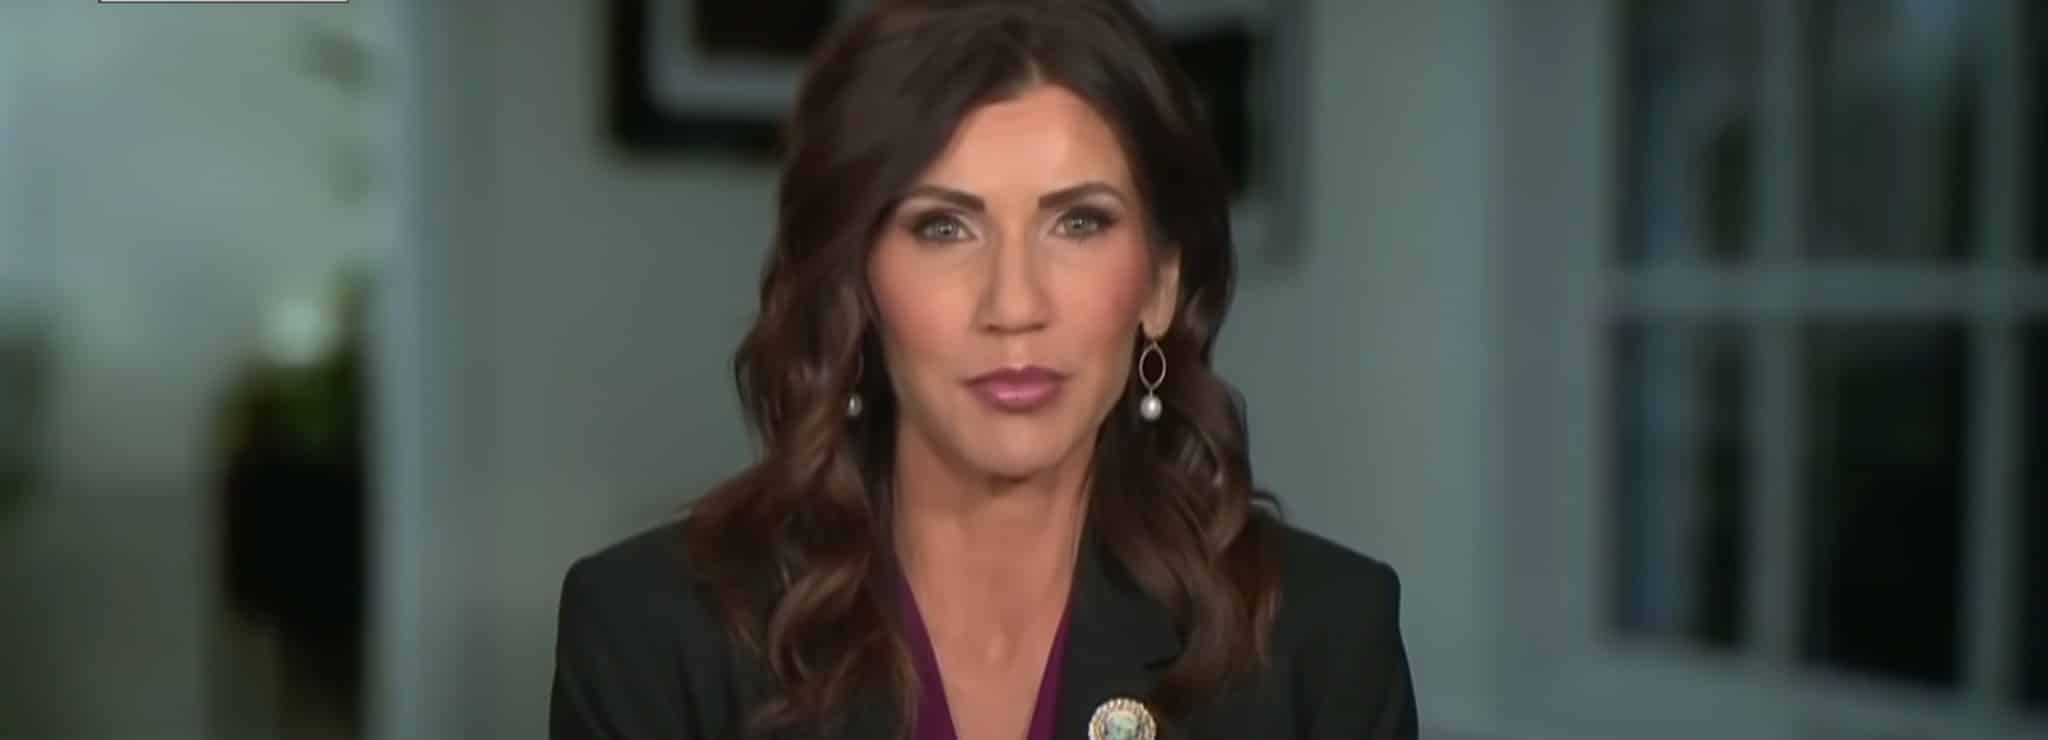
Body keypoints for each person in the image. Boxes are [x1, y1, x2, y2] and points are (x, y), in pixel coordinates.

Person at [549, 1, 1418, 738]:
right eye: (944, 228)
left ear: (1159, 282)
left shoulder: (1321, 639)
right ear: (858, 282)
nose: (1013, 303)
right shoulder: (652, 632)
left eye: (1078, 223)